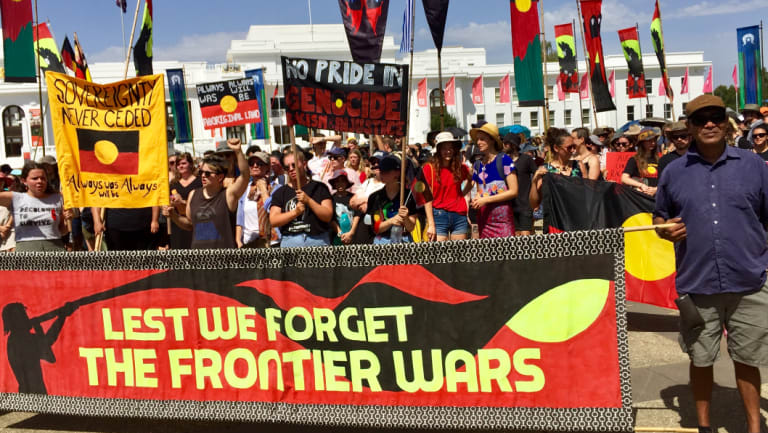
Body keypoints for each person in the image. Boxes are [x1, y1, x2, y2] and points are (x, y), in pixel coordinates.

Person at [654, 95, 768, 433]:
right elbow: (659, 215)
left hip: (748, 280)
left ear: (727, 122)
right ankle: (703, 426)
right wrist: (663, 229)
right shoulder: (673, 172)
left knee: (748, 358)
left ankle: (753, 427)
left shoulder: (754, 167)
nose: (709, 123)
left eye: (716, 116)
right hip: (697, 281)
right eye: (700, 118)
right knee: (700, 358)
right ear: (688, 127)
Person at [167, 138, 249, 249]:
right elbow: (190, 224)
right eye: (201, 172)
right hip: (200, 259)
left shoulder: (228, 195)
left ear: (220, 177)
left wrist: (238, 151)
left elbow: (245, 175)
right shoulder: (193, 194)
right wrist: (174, 216)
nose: (203, 176)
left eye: (207, 173)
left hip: (225, 259)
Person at [0, 162, 72, 251]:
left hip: (54, 249)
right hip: (26, 251)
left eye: (43, 178)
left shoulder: (57, 197)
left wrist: (67, 220)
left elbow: (62, 231)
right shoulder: (15, 197)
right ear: (24, 181)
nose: (39, 181)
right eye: (35, 178)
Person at [270, 150, 334, 247]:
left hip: (318, 241)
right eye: (287, 167)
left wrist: (309, 201)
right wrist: (295, 212)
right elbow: (273, 220)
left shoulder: (319, 188)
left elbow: (328, 216)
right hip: (290, 242)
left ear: (304, 164)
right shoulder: (280, 192)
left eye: (294, 165)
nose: (291, 169)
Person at [469, 122, 518, 238]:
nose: (478, 142)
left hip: (503, 221)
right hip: (484, 220)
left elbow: (514, 191)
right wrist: (476, 199)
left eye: (482, 139)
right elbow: (478, 191)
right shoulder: (477, 165)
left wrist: (486, 200)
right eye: (477, 139)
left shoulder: (504, 160)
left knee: (505, 254)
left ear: (492, 140)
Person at [423, 132, 472, 241]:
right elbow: (426, 198)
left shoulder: (460, 167)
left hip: (459, 214)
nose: (448, 151)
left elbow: (472, 180)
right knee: (439, 256)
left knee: (459, 255)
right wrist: (431, 224)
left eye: (450, 148)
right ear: (438, 150)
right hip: (438, 215)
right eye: (444, 148)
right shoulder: (429, 168)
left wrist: (461, 194)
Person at [365, 155, 417, 244]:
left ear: (397, 173)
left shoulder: (409, 195)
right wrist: (391, 221)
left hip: (404, 239)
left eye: (387, 171)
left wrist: (406, 218)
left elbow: (411, 227)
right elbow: (376, 228)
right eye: (381, 170)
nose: (382, 174)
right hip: (381, 241)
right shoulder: (375, 197)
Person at [529, 127, 581, 213]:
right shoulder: (545, 170)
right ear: (556, 148)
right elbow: (534, 204)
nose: (573, 150)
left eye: (574, 146)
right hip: (554, 220)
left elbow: (588, 194)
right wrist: (534, 181)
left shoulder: (579, 165)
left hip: (577, 218)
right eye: (569, 147)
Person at [235, 151, 274, 248]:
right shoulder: (245, 189)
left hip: (269, 242)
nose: (255, 166)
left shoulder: (275, 188)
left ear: (267, 168)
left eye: (260, 164)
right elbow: (239, 219)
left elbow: (271, 210)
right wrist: (238, 240)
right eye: (252, 164)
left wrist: (264, 190)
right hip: (248, 242)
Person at [503, 133, 537, 236]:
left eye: (505, 143)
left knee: (526, 237)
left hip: (525, 205)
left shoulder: (526, 159)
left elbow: (538, 176)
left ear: (512, 145)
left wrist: (535, 199)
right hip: (509, 205)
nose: (503, 146)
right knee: (515, 236)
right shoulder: (504, 161)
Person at [167, 152, 202, 249]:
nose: (180, 166)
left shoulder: (200, 182)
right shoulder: (173, 184)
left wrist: (183, 202)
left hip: (196, 223)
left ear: (190, 164)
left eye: (183, 163)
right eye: (178, 164)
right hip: (178, 224)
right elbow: (168, 203)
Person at [621, 127, 659, 196]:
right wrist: (640, 185)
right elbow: (624, 178)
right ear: (642, 143)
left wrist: (657, 189)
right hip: (641, 197)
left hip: (657, 196)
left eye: (654, 140)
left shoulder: (660, 159)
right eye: (649, 140)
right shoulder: (634, 159)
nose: (652, 143)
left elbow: (666, 180)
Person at [327, 169, 360, 245]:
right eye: (337, 181)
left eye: (342, 181)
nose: (340, 184)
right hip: (337, 237)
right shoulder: (331, 199)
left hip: (353, 236)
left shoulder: (353, 197)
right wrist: (340, 233)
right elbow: (331, 219)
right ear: (334, 184)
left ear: (346, 183)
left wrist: (351, 233)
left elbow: (357, 215)